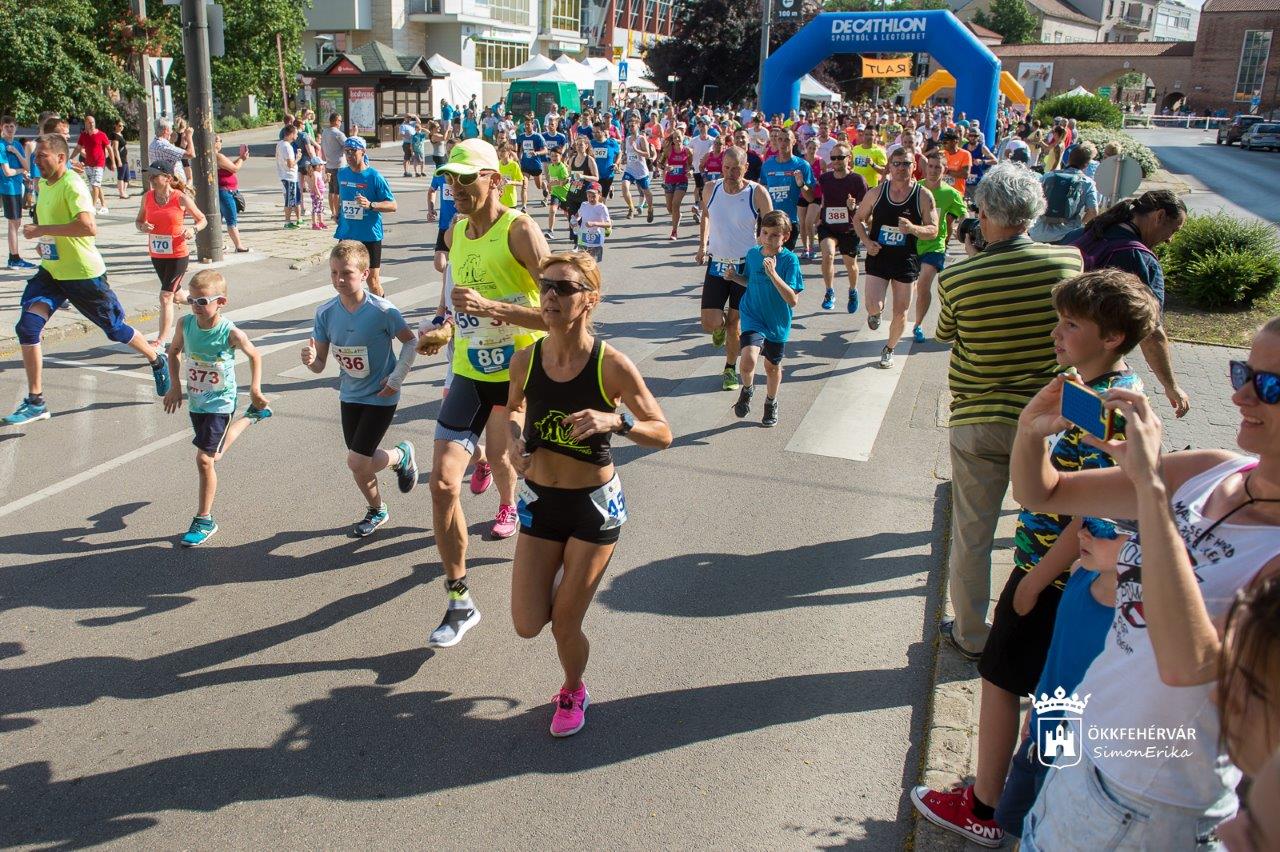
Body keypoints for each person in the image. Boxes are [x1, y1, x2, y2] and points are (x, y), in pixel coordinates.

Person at [910, 269, 1160, 847]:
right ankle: (1037, 791)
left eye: (1072, 324)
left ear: (1113, 337)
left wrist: (1034, 579)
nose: (1058, 332)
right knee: (1052, 695)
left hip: (1053, 575)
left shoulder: (1112, 407)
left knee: (1004, 682)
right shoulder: (1095, 387)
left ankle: (988, 806)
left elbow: (1095, 510)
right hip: (1059, 573)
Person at [1011, 319, 1280, 850]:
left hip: (1150, 798)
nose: (1239, 394)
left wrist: (1151, 491)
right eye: (1242, 371)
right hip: (1087, 753)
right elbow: (1044, 492)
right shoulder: (1213, 471)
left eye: (1270, 385)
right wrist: (1029, 433)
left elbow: (1191, 664)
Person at [507, 252, 670, 736]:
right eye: (546, 286)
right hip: (539, 501)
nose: (551, 296)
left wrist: (615, 421)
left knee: (563, 624)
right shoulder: (525, 359)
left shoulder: (611, 365)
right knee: (526, 623)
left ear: (590, 299)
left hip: (592, 509)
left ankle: (572, 689)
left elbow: (662, 432)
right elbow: (513, 410)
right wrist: (515, 445)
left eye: (564, 288)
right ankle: (563, 589)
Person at [933, 162, 1084, 659]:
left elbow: (945, 335)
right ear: (1035, 210)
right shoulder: (1067, 262)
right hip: (1050, 421)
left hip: (978, 416)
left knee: (973, 534)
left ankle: (973, 635)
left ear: (982, 212)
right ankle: (1042, 631)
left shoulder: (958, 278)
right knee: (1053, 531)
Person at [428, 138, 550, 648]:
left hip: (522, 375)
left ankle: (553, 556)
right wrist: (441, 324)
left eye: (465, 178)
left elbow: (565, 308)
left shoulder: (519, 229)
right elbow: (455, 296)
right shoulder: (456, 230)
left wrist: (497, 309)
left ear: (494, 179)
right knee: (441, 483)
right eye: (449, 179)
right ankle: (460, 601)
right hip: (471, 371)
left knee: (519, 464)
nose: (455, 188)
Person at [3, 133, 171, 426]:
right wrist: (45, 238)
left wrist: (43, 230)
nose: (37, 160)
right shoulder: (43, 182)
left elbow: (88, 227)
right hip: (53, 272)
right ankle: (36, 400)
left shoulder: (73, 184)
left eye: (43, 156)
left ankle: (156, 358)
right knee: (27, 327)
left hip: (83, 275)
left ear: (60, 158)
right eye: (36, 156)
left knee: (115, 329)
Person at [299, 241, 419, 537]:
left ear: (365, 274)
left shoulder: (382, 310)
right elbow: (320, 364)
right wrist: (312, 361)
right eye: (334, 273)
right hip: (350, 394)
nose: (339, 280)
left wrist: (396, 378)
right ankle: (387, 487)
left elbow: (411, 341)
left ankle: (383, 495)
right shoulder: (325, 313)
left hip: (382, 394)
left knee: (357, 460)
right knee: (359, 464)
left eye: (347, 273)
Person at [162, 270, 271, 547]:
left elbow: (254, 355)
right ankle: (252, 416)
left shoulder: (230, 332)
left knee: (204, 460)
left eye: (202, 301)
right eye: (191, 300)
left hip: (221, 402)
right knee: (215, 454)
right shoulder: (185, 325)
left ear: (221, 301)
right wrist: (174, 386)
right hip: (198, 400)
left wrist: (255, 389)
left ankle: (204, 519)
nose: (195, 307)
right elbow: (173, 352)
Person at [1064, 190, 1190, 418]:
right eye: (1173, 230)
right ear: (1159, 216)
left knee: (1064, 432)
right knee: (1097, 434)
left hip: (1060, 355)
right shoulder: (1138, 258)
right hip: (1094, 368)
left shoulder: (1091, 233)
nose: (1170, 239)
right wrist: (1171, 385)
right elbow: (1152, 332)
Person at [852, 147, 938, 369]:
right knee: (873, 305)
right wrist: (867, 241)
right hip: (878, 255)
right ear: (889, 166)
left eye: (906, 164)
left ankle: (889, 349)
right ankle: (875, 314)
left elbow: (934, 229)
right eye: (897, 164)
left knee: (901, 311)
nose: (901, 168)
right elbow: (858, 219)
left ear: (914, 167)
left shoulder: (922, 195)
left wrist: (913, 229)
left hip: (905, 259)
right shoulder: (876, 193)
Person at [696, 145, 772, 392]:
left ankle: (730, 368)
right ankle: (718, 327)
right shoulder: (711, 188)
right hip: (717, 263)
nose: (730, 173)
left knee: (735, 324)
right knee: (710, 322)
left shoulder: (756, 192)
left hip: (744, 266)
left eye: (735, 169)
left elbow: (770, 226)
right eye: (726, 168)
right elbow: (706, 217)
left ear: (746, 168)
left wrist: (768, 259)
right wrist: (702, 245)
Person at [725, 210, 803, 427]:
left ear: (785, 237)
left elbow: (792, 300)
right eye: (765, 232)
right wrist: (735, 277)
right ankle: (747, 390)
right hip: (752, 314)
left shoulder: (789, 261)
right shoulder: (752, 254)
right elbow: (750, 282)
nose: (768, 238)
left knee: (772, 367)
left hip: (777, 321)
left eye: (775, 235)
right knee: (748, 358)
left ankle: (771, 402)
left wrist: (774, 274)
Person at [135, 160, 207, 348]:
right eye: (149, 175)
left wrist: (193, 229)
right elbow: (139, 221)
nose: (150, 178)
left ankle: (161, 340)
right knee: (175, 295)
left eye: (154, 175)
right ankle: (201, 303)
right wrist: (143, 226)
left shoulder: (180, 198)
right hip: (158, 254)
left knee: (165, 296)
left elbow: (202, 219)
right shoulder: (147, 197)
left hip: (177, 254)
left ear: (167, 178)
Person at [911, 149, 968, 343]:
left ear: (944, 171)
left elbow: (963, 215)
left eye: (938, 167)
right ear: (925, 168)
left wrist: (965, 228)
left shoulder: (951, 194)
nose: (933, 170)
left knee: (924, 282)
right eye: (931, 166)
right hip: (911, 244)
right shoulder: (914, 188)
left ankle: (917, 324)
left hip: (935, 245)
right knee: (906, 285)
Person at [333, 136, 397, 297]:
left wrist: (371, 205)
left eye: (353, 151)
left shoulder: (374, 176)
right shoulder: (342, 174)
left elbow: (393, 205)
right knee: (345, 279)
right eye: (346, 151)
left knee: (373, 282)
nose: (349, 155)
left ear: (363, 152)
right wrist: (338, 213)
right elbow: (341, 197)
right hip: (347, 235)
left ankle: (382, 313)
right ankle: (352, 312)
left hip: (369, 236)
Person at [815, 140, 867, 313]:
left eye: (840, 157)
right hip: (828, 226)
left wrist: (854, 207)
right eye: (833, 157)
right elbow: (821, 200)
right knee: (828, 254)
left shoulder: (857, 180)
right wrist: (818, 216)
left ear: (849, 158)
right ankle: (829, 292)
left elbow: (866, 208)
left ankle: (853, 290)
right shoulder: (825, 178)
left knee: (850, 264)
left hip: (849, 229)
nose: (836, 161)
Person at [1029, 142, 1099, 244]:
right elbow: (1093, 212)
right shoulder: (1087, 183)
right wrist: (1080, 226)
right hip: (1066, 236)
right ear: (1086, 165)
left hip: (1038, 233)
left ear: (1069, 159)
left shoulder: (1048, 176)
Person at [760, 125, 814, 252]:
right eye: (780, 139)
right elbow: (763, 190)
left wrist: (801, 184)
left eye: (787, 140)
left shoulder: (802, 165)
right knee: (766, 259)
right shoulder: (768, 164)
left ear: (794, 142)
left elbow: (810, 198)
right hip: (768, 220)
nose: (783, 143)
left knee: (783, 261)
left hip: (789, 221)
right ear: (775, 141)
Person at [1, 116, 34, 270]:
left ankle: (13, 256)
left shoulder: (16, 145)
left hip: (17, 187)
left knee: (17, 221)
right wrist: (21, 170)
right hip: (8, 187)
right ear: (2, 127)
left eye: (12, 126)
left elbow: (27, 165)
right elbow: (7, 172)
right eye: (7, 126)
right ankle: (14, 257)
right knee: (14, 223)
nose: (10, 129)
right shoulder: (1, 145)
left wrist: (16, 151)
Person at [214, 135, 249, 254]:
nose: (221, 143)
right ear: (214, 142)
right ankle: (239, 245)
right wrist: (242, 159)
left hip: (224, 191)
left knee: (219, 219)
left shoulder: (214, 156)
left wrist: (240, 158)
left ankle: (219, 243)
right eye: (219, 140)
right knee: (231, 219)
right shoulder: (218, 156)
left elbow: (228, 166)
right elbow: (234, 168)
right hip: (226, 192)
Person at [658, 128, 694, 240]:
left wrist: (690, 171)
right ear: (672, 140)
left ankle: (674, 232)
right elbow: (659, 164)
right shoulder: (668, 150)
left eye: (679, 137)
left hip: (682, 181)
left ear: (683, 137)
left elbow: (691, 165)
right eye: (675, 137)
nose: (677, 139)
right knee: (670, 208)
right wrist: (666, 167)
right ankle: (678, 215)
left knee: (675, 204)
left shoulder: (688, 151)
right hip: (670, 181)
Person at [562, 135, 599, 246]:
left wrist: (583, 177)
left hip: (585, 194)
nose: (578, 147)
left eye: (581, 144)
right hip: (573, 192)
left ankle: (583, 242)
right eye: (577, 144)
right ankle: (576, 242)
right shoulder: (572, 159)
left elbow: (596, 177)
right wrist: (567, 179)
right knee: (572, 218)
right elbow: (570, 175)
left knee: (583, 218)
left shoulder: (589, 159)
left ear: (586, 146)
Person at [71, 115, 112, 215]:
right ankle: (104, 206)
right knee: (96, 186)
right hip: (88, 164)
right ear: (85, 123)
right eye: (89, 122)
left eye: (93, 122)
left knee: (94, 185)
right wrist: (71, 158)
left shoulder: (101, 134)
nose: (92, 124)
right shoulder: (83, 135)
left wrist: (113, 162)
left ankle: (92, 207)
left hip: (99, 163)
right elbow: (78, 148)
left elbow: (109, 148)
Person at [620, 118, 655, 221]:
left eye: (632, 126)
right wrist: (624, 158)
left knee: (646, 191)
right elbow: (628, 153)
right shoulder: (627, 139)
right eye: (629, 126)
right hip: (630, 169)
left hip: (641, 170)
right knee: (624, 186)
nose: (630, 128)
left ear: (638, 126)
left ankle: (650, 208)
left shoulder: (641, 138)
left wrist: (636, 149)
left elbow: (647, 154)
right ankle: (631, 208)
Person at [573, 182, 611, 263]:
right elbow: (578, 215)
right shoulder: (584, 205)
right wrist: (574, 221)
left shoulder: (602, 207)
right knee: (582, 262)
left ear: (599, 195)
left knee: (593, 263)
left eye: (594, 196)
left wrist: (594, 223)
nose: (591, 199)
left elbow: (608, 224)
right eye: (589, 196)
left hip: (596, 240)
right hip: (583, 238)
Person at [515, 118, 548, 209]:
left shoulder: (538, 137)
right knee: (524, 186)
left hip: (536, 165)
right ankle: (523, 206)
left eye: (528, 124)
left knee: (539, 186)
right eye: (525, 124)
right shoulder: (521, 136)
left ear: (533, 125)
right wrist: (519, 159)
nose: (526, 126)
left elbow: (545, 150)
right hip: (525, 165)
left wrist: (536, 153)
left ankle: (544, 186)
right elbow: (519, 150)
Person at [148, 118, 194, 185]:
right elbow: (191, 154)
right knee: (190, 178)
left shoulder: (153, 144)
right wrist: (189, 137)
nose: (171, 131)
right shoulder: (163, 146)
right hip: (174, 184)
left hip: (164, 182)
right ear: (166, 130)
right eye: (171, 129)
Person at [320, 112, 347, 219]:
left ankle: (332, 212)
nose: (341, 123)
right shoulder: (338, 134)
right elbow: (348, 146)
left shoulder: (325, 132)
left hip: (329, 164)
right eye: (340, 121)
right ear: (336, 121)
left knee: (331, 190)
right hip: (339, 165)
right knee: (338, 191)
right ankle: (337, 213)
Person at [276, 124, 301, 229]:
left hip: (285, 175)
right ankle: (287, 222)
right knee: (290, 200)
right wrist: (298, 158)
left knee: (292, 199)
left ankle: (292, 220)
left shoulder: (280, 144)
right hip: (289, 176)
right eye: (296, 133)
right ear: (291, 134)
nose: (297, 135)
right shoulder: (287, 147)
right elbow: (290, 164)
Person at [589, 123, 621, 202]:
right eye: (593, 132)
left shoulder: (612, 143)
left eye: (597, 132)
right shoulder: (591, 143)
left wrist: (616, 163)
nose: (595, 134)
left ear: (604, 132)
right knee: (596, 198)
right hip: (595, 175)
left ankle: (610, 188)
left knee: (602, 200)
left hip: (608, 175)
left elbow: (619, 152)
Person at [849, 124, 888, 191]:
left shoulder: (879, 151)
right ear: (863, 135)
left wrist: (873, 164)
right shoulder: (855, 149)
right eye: (866, 134)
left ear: (875, 137)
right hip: (855, 185)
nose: (868, 137)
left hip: (871, 187)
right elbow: (851, 166)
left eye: (871, 135)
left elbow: (885, 171)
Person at [107, 119, 130, 201]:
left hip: (124, 158)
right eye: (119, 125)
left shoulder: (121, 134)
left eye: (122, 126)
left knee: (127, 176)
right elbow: (115, 149)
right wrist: (118, 160)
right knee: (121, 176)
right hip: (120, 158)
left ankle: (124, 191)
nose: (121, 127)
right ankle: (121, 193)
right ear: (115, 126)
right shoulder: (115, 136)